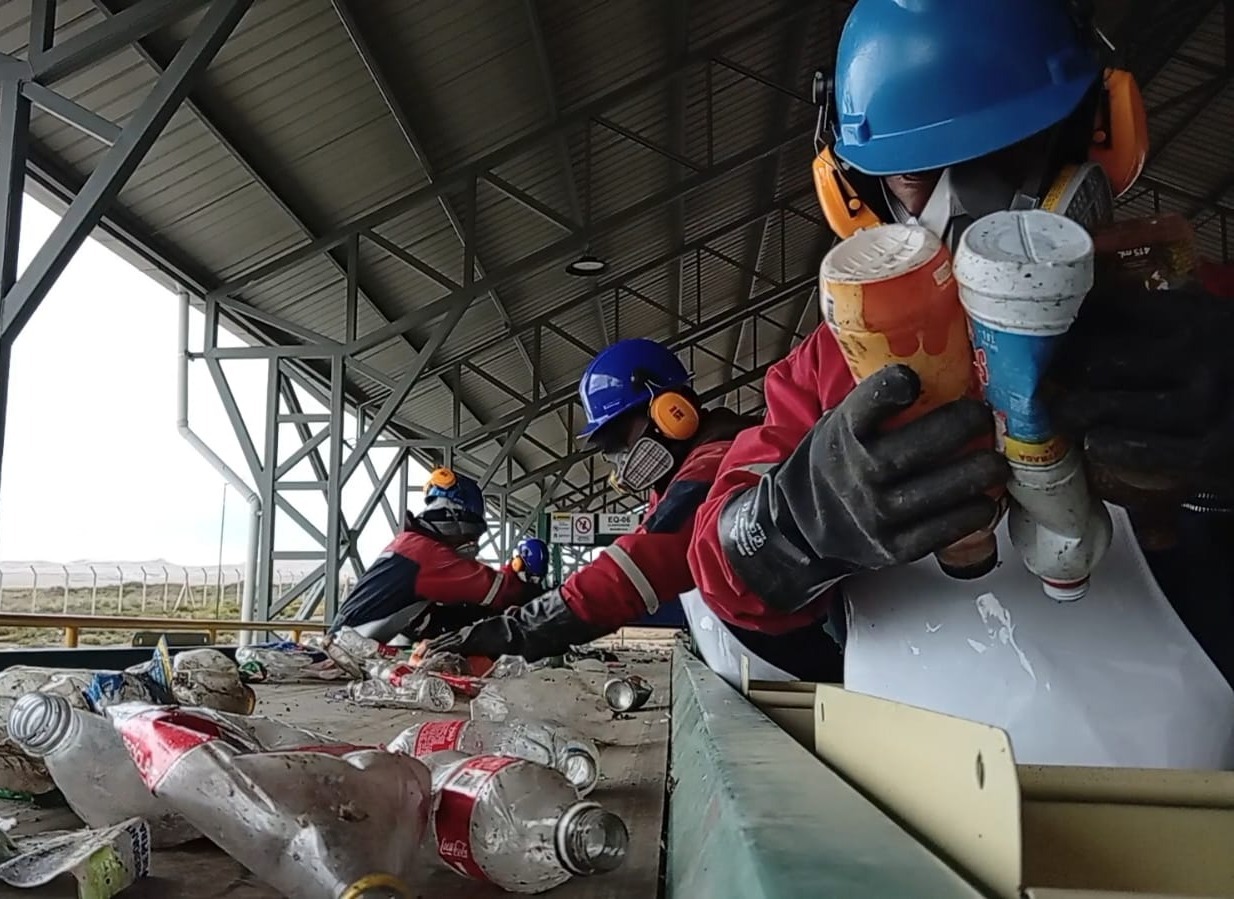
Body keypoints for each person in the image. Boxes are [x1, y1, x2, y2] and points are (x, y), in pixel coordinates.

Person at [686, 0, 1234, 768]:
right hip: (911, 825)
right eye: (918, 173)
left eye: (1012, 152)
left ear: (1097, 132)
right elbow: (720, 564)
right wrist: (795, 520)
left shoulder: (1203, 328)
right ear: (857, 191)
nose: (972, 209)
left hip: (1181, 818)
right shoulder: (832, 368)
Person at [424, 338, 756, 662]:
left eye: (616, 440)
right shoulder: (677, 483)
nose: (619, 459)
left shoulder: (718, 464)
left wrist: (509, 632)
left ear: (672, 412)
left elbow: (628, 575)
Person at [330, 467, 537, 644]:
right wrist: (545, 597)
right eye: (471, 535)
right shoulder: (427, 554)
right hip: (349, 648)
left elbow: (427, 618)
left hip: (346, 641)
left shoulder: (409, 544)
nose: (471, 544)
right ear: (457, 521)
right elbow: (498, 590)